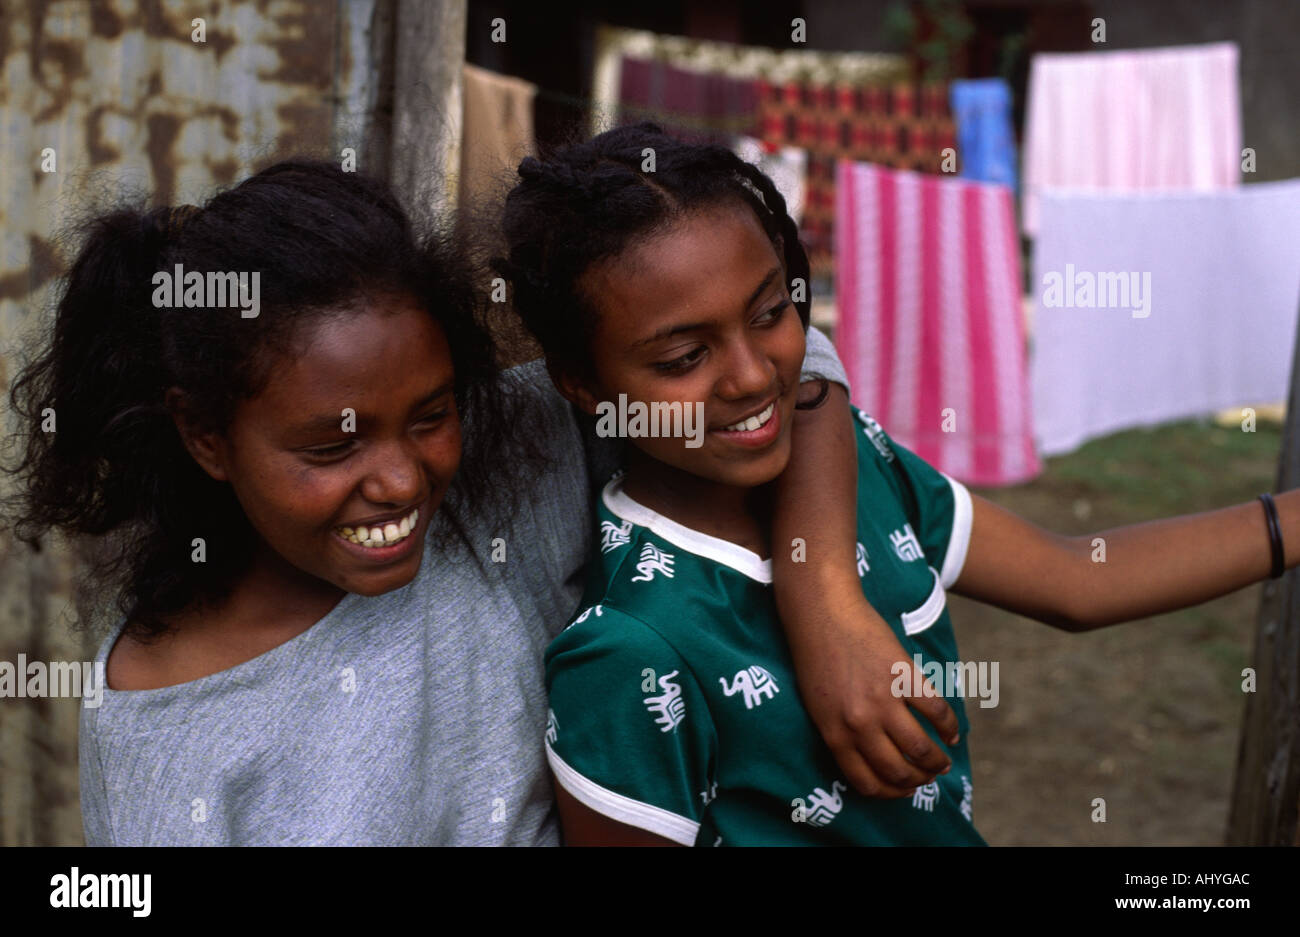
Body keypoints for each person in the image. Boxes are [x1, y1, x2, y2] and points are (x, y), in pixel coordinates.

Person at [1, 159, 918, 845]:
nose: (402, 479)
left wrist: (827, 599)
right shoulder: (171, 742)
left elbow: (795, 377)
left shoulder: (492, 484)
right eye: (333, 444)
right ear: (206, 436)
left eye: (431, 414)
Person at [494, 123, 1300, 845]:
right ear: (585, 386)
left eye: (770, 311)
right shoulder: (630, 653)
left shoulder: (862, 464)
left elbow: (1077, 577)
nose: (751, 375)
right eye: (682, 358)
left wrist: (1287, 520)